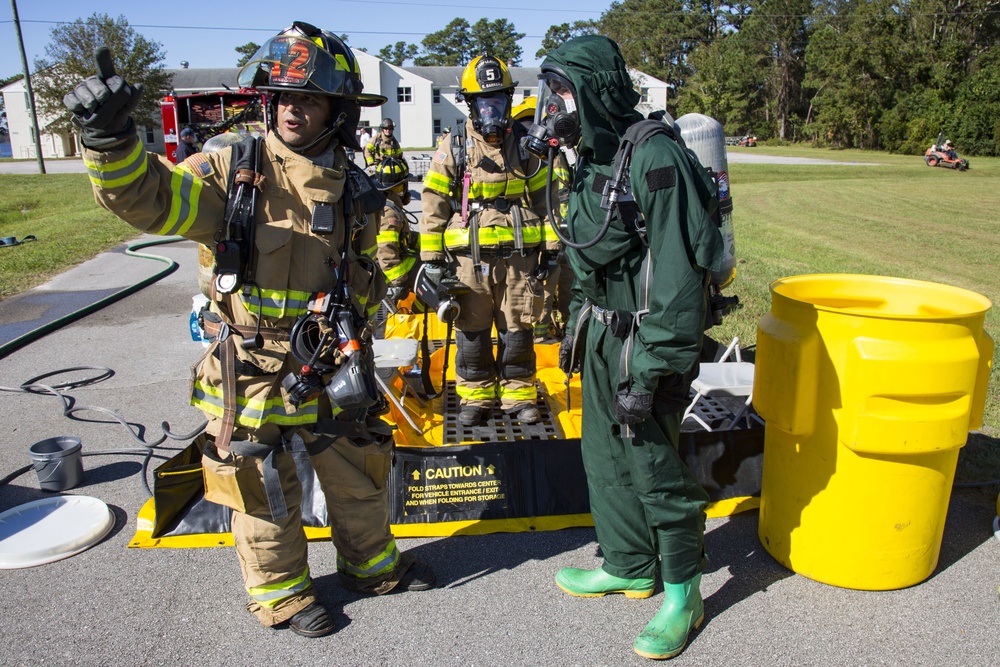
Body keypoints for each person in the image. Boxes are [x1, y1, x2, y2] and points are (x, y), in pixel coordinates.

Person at [63, 21, 435, 639]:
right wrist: (109, 140)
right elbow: (152, 196)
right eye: (285, 96)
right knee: (260, 483)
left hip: (332, 361)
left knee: (358, 467)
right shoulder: (233, 167)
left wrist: (408, 278)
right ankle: (284, 596)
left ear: (336, 110)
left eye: (309, 97)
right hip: (252, 367)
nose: (293, 109)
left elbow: (383, 261)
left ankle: (373, 568)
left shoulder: (355, 182)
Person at [539, 35, 724, 660]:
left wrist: (649, 368)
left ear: (595, 89)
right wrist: (576, 330)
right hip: (602, 335)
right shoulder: (591, 158)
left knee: (653, 467)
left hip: (645, 344)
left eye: (565, 90)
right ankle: (628, 563)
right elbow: (589, 255)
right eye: (553, 91)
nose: (556, 104)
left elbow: (676, 277)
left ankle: (683, 594)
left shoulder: (655, 158)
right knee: (605, 459)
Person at [420, 55, 557, 426]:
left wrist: (553, 251)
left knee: (518, 329)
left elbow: (548, 200)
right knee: (472, 331)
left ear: (508, 101)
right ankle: (476, 399)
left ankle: (518, 396)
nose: (492, 108)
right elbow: (433, 203)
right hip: (468, 262)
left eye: (498, 100)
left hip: (519, 260)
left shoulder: (527, 146)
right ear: (472, 104)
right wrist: (432, 260)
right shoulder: (455, 146)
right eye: (484, 101)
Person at [512, 96, 571, 343]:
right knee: (545, 285)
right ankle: (540, 335)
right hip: (545, 232)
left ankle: (569, 331)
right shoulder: (527, 160)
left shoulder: (560, 154)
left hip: (567, 231)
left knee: (568, 285)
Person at [373, 156, 422, 309]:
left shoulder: (388, 206)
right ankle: (417, 316)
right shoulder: (390, 213)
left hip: (390, 264)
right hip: (388, 271)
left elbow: (402, 238)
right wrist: (399, 281)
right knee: (429, 277)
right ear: (400, 188)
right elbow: (385, 249)